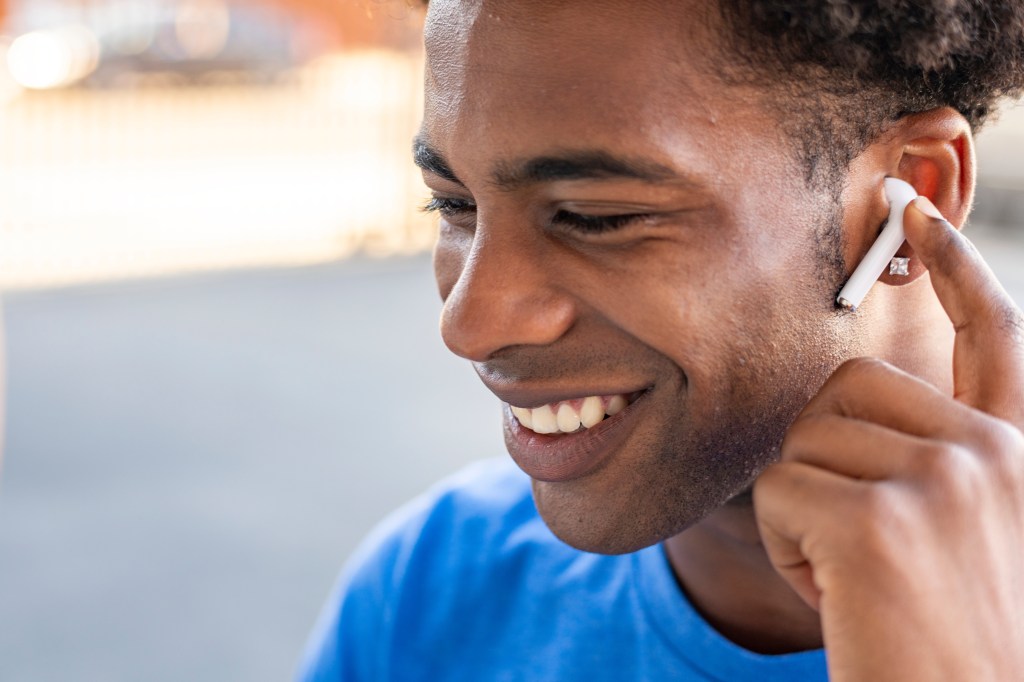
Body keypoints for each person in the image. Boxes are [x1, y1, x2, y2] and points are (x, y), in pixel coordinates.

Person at [299, 1, 1024, 679]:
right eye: (453, 204)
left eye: (594, 216)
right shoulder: (427, 591)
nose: (468, 324)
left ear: (909, 193)